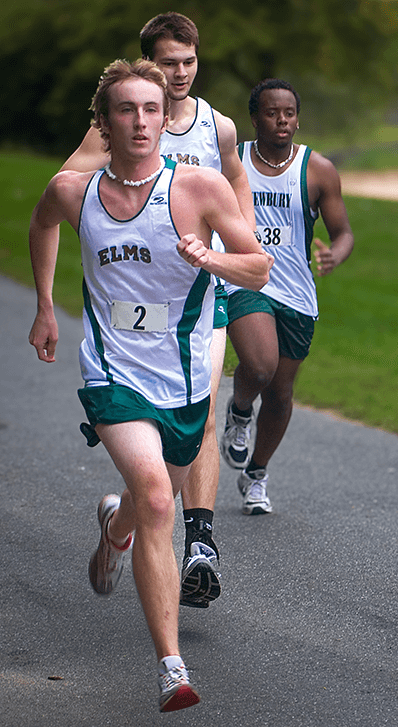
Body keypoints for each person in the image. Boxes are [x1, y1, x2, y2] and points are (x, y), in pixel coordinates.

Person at [28, 59, 271, 709]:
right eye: (125, 111)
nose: (140, 121)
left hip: (185, 376)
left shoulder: (199, 189)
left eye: (150, 110)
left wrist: (212, 257)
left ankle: (115, 528)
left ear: (166, 120)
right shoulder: (75, 191)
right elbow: (42, 222)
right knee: (161, 501)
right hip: (113, 373)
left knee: (152, 488)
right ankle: (172, 664)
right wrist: (47, 305)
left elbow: (259, 267)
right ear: (104, 123)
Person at [61, 12, 257, 609]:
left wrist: (235, 250)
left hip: (209, 284)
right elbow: (68, 182)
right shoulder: (124, 121)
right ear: (149, 62)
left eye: (189, 62)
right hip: (140, 293)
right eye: (168, 62)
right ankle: (125, 520)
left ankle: (199, 540)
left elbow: (236, 182)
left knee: (201, 410)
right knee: (157, 452)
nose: (179, 73)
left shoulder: (216, 125)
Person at [219, 78, 354, 515]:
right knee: (259, 366)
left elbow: (344, 232)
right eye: (272, 112)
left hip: (296, 289)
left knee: (280, 393)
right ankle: (239, 411)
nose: (282, 120)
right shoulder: (231, 160)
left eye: (290, 113)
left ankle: (256, 473)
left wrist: (335, 254)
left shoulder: (318, 170)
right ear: (254, 117)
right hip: (244, 279)